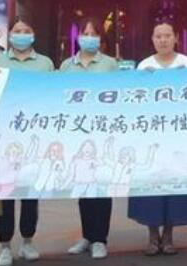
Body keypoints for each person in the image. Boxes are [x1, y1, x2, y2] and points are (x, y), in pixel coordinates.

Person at [128, 21, 187, 256]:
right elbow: (136, 101)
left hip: (178, 137)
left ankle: (168, 235)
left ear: (175, 38)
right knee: (150, 186)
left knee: (174, 186)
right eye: (159, 36)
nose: (163, 40)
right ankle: (152, 235)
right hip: (151, 137)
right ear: (152, 39)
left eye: (167, 35)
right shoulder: (144, 66)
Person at [0, 17, 54, 266]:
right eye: (17, 30)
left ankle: (28, 241)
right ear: (9, 35)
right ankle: (5, 245)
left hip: (34, 135)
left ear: (33, 35)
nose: (21, 34)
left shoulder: (45, 63)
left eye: (26, 30)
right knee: (4, 192)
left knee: (30, 192)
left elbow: (52, 95)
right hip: (5, 134)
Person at [60, 17, 119, 260]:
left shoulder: (110, 64)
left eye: (94, 34)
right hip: (76, 134)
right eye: (85, 33)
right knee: (83, 185)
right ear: (77, 37)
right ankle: (87, 235)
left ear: (101, 39)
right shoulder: (66, 65)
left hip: (102, 131)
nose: (89, 38)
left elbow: (120, 95)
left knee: (101, 186)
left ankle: (100, 239)